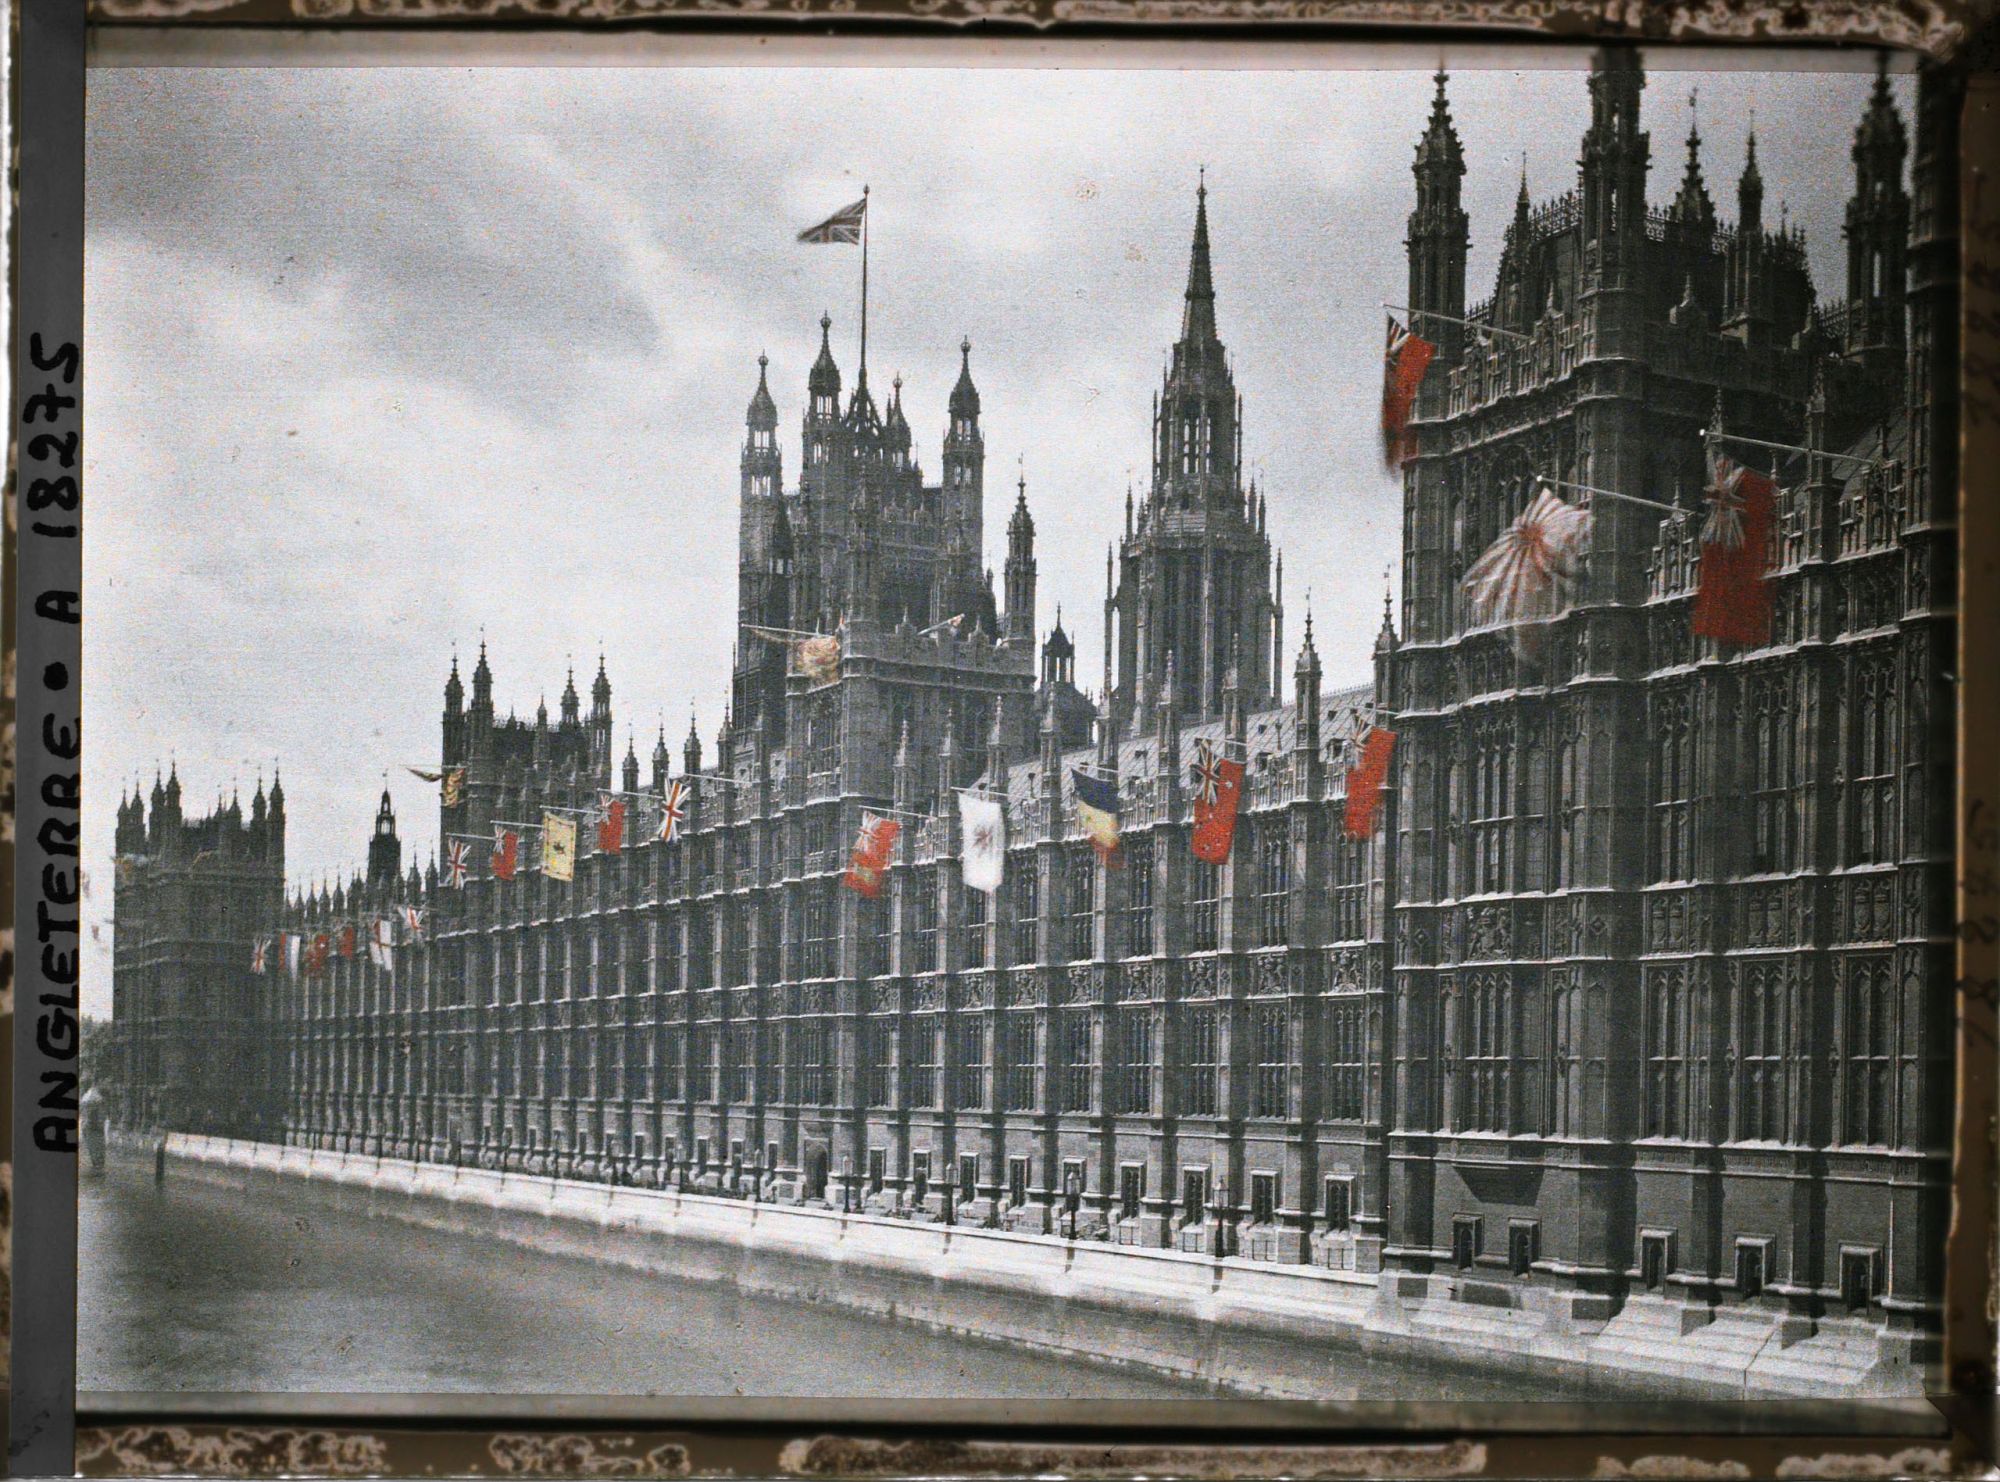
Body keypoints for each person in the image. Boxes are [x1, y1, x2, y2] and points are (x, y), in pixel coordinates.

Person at [79, 1081, 107, 1176]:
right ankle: (98, 1167)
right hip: (93, 1126)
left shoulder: (89, 1096)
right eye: (106, 1082)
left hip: (90, 1126)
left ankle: (97, 1166)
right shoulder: (95, 1098)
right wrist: (99, 1123)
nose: (108, 1086)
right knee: (97, 1146)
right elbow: (95, 1114)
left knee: (94, 1147)